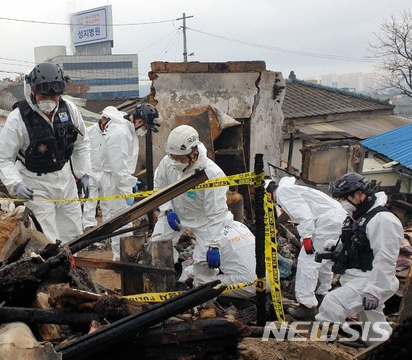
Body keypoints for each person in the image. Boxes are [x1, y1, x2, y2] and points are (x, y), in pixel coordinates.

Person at [151, 125, 256, 298]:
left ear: (193, 154)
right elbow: (159, 186)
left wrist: (213, 245)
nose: (174, 161)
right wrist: (167, 209)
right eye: (172, 156)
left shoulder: (212, 174)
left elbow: (216, 214)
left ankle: (203, 300)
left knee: (203, 263)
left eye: (179, 158)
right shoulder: (168, 162)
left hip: (205, 221)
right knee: (157, 246)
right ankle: (161, 284)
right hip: (176, 214)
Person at [0, 63, 91, 244]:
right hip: (35, 184)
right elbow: (2, 158)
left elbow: (82, 144)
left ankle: (75, 269)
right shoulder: (18, 118)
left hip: (65, 179)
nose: (50, 100)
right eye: (45, 96)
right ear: (32, 90)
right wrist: (16, 185)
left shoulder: (69, 110)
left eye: (54, 96)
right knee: (47, 237)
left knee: (74, 231)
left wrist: (82, 173)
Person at [315, 173, 402, 344]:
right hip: (357, 277)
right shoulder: (359, 216)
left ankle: (321, 348)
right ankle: (387, 348)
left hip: (371, 279)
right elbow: (357, 243)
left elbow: (385, 258)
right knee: (374, 327)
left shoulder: (382, 219)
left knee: (332, 304)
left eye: (344, 197)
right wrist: (336, 247)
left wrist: (374, 290)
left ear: (359, 194)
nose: (342, 202)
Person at [266, 177, 347, 319]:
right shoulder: (291, 189)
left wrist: (307, 237)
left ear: (268, 192)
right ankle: (322, 296)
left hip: (327, 222)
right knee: (325, 260)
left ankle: (307, 306)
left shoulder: (282, 193)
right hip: (337, 219)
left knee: (307, 262)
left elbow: (304, 216)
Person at [82, 106, 140, 260]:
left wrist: (128, 181)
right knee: (91, 200)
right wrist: (83, 173)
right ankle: (89, 227)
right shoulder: (91, 132)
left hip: (107, 173)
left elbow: (118, 162)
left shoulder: (115, 132)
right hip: (93, 171)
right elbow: (83, 150)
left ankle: (110, 240)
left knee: (109, 208)